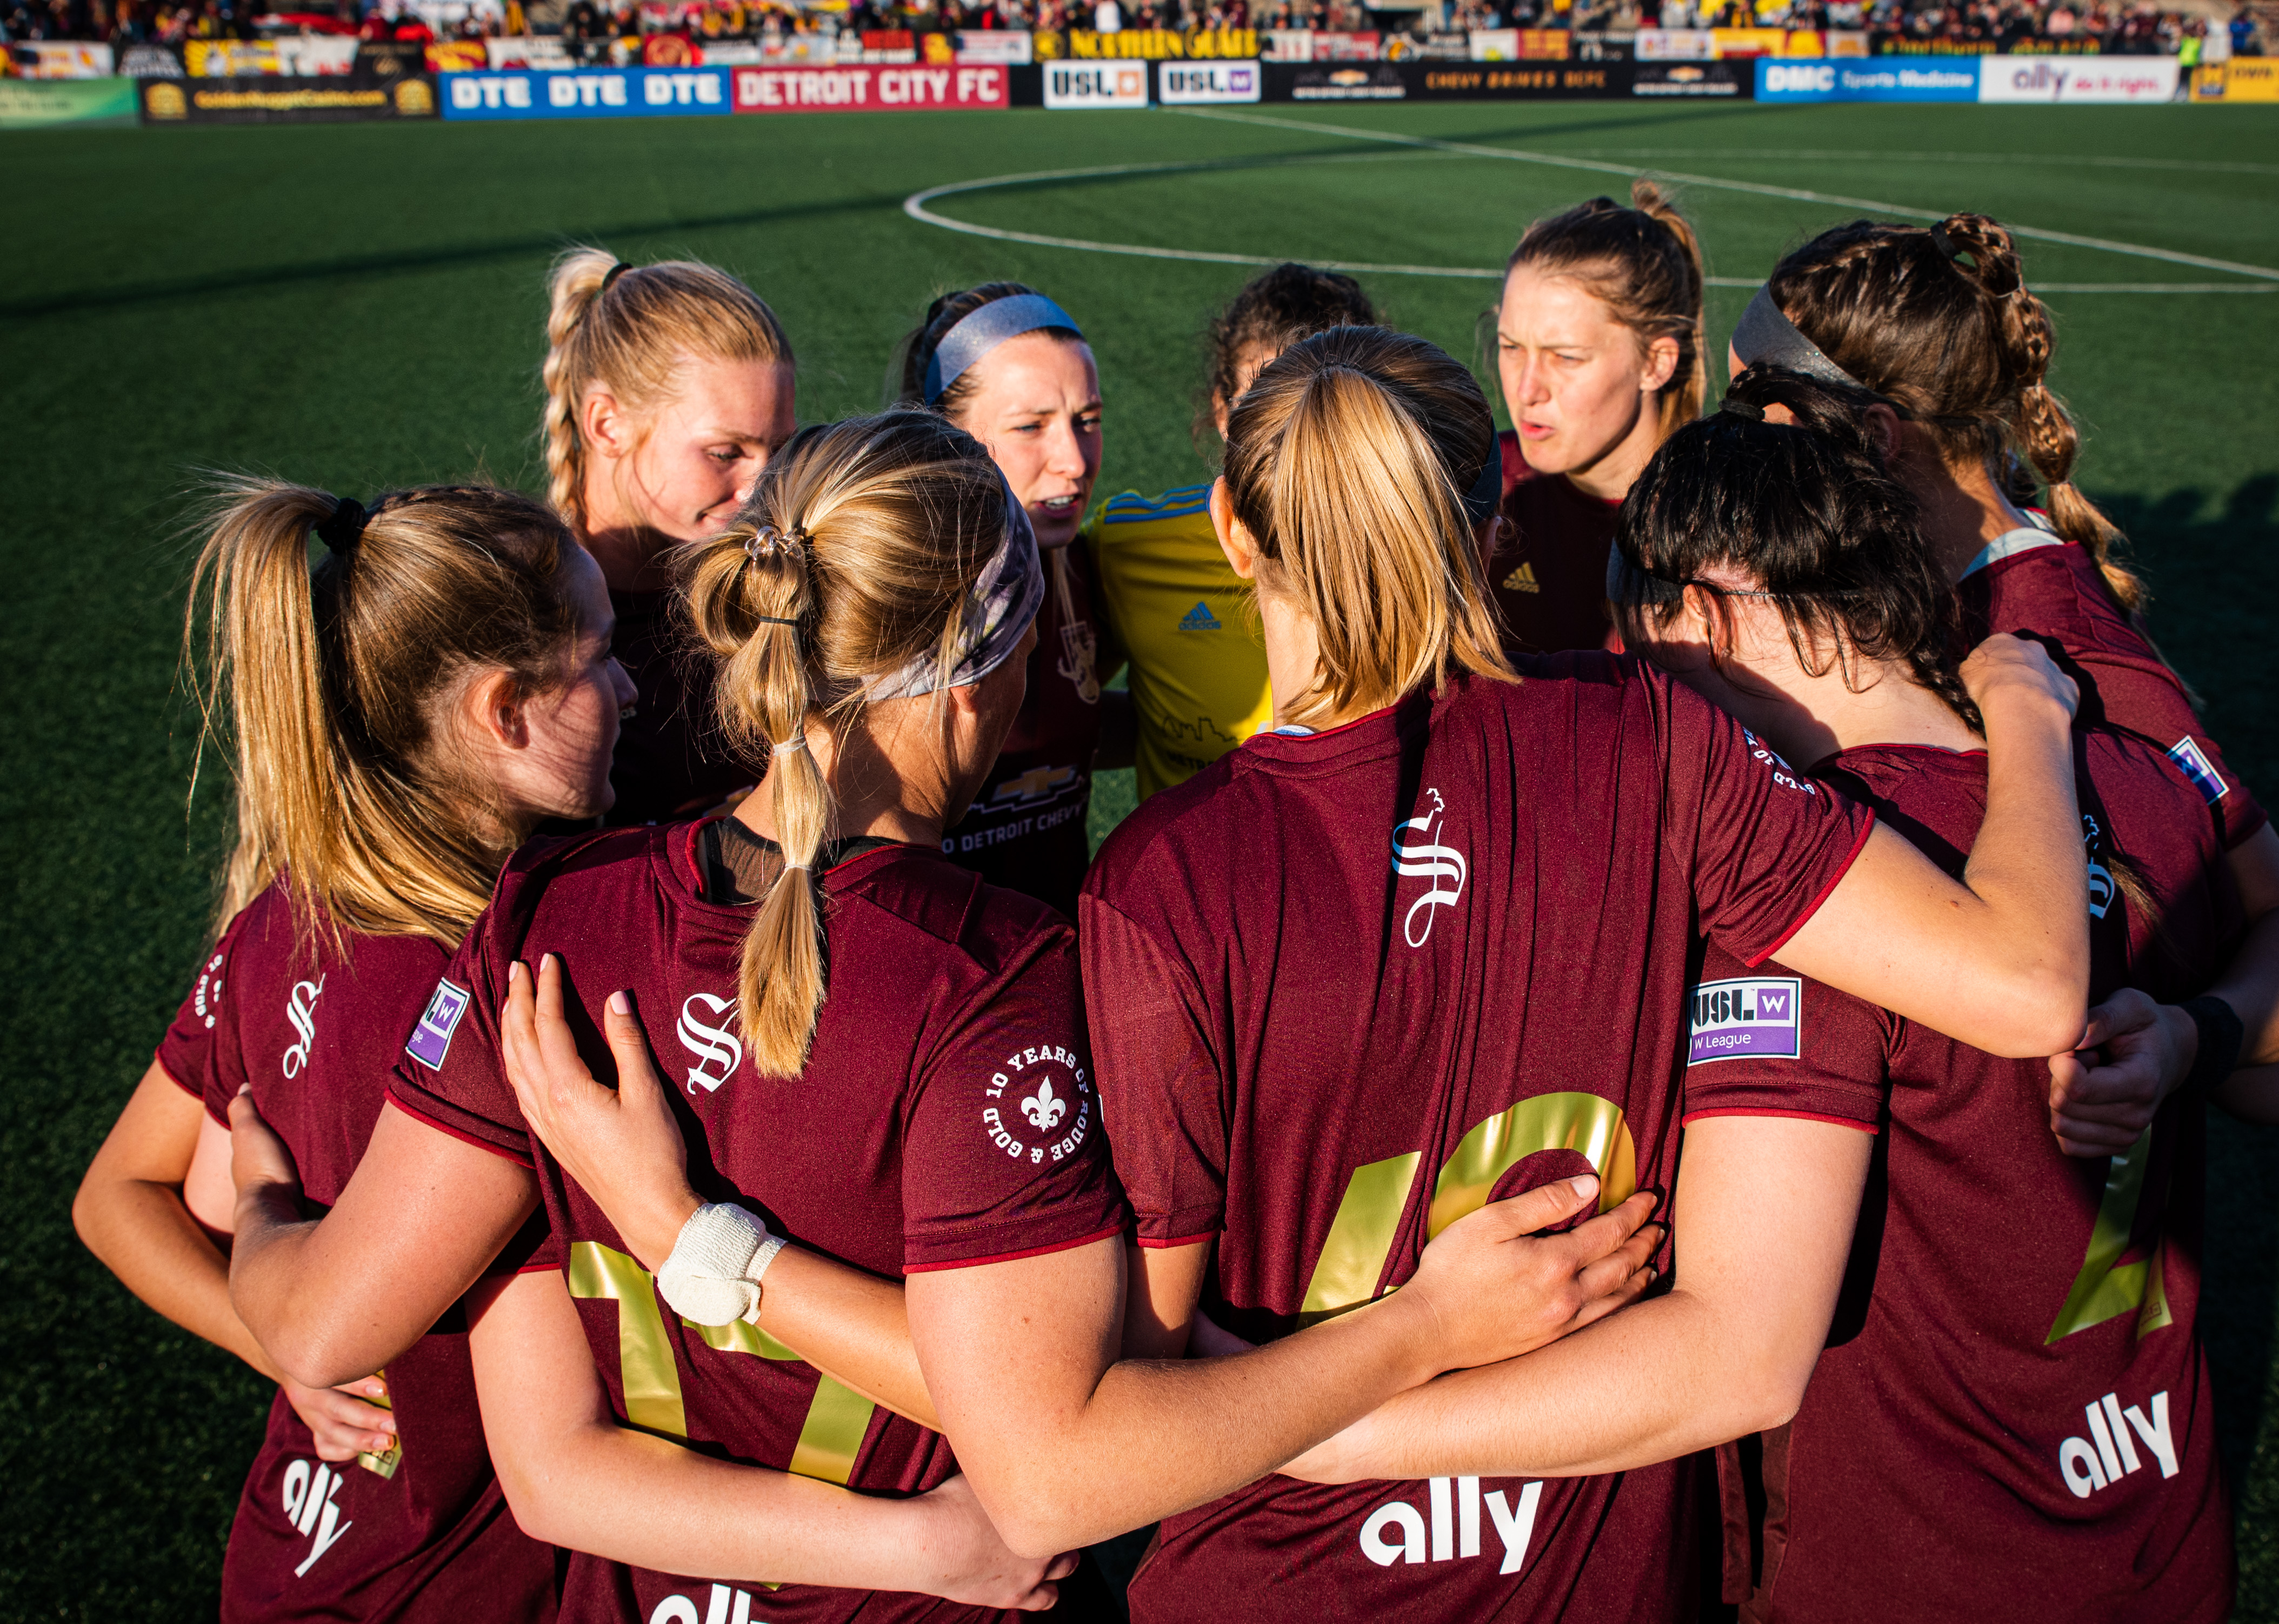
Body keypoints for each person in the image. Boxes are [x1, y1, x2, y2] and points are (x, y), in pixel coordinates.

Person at [222, 414, 1645, 1618]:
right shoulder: (993, 978)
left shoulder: (547, 920)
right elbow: (1062, 1451)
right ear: (987, 671)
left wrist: (266, 1219)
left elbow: (532, 1458)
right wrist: (1423, 1325)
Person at [1078, 327, 2098, 1620]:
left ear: (1232, 529)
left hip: (1277, 1571)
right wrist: (2023, 705)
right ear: (1495, 521)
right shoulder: (1655, 736)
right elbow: (2021, 986)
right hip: (1600, 1571)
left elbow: (1136, 1388)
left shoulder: (1155, 882)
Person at [1607, 374, 2279, 1622]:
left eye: (1642, 657)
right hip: (2152, 1511)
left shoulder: (1811, 902)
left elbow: (1738, 1354)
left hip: (1917, 1554)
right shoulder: (2130, 773)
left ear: (1708, 626)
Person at [71, 479, 633, 1621]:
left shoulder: (279, 912)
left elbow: (113, 1195)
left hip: (296, 1546)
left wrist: (279, 1338)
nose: (630, 684)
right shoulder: (501, 982)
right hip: (454, 1579)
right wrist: (296, 1327)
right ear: (503, 710)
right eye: (602, 655)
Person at [1730, 212, 2279, 1094]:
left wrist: (2189, 1037)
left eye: (1760, 416)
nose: (1740, 449)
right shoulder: (1895, 575)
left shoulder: (2056, 636)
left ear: (1873, 437)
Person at [1085, 262, 1376, 798]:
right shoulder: (1130, 551)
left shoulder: (1411, 554)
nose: (1294, 438)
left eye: (1324, 403)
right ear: (1222, 412)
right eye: (1265, 403)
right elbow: (1065, 705)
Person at [541, 246, 796, 826]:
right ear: (607, 424)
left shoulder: (779, 587)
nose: (761, 488)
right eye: (725, 452)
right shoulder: (527, 629)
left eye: (779, 449)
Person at [892, 283, 1118, 913]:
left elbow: (1081, 720)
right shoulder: (887, 597)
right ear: (942, 431)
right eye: (1030, 427)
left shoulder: (1076, 563)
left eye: (1088, 420)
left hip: (1060, 960)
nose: (1074, 460)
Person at [1491, 187, 1704, 654]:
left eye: (1565, 357)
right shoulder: (1484, 482)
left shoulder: (1723, 522)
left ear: (1656, 363)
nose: (1527, 390)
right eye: (1511, 347)